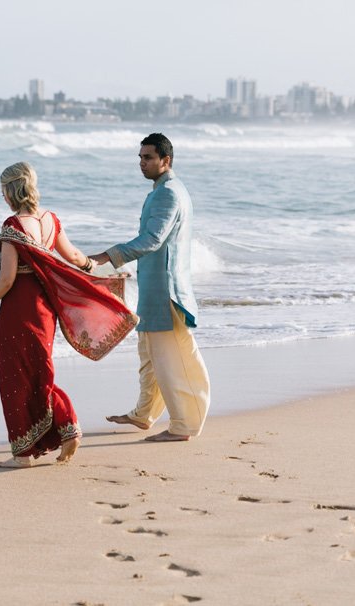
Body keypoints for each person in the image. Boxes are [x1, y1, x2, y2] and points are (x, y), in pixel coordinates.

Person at [0, 161, 137, 468]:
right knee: (40, 371)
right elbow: (76, 257)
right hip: (45, 310)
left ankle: (24, 454)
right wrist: (101, 274)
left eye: (2, 190)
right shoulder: (51, 220)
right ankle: (67, 428)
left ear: (9, 191)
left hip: (18, 309)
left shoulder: (12, 226)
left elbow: (7, 279)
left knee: (17, 377)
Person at [90, 133, 211, 442]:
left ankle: (183, 425)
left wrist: (107, 257)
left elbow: (152, 240)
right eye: (140, 158)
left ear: (165, 160)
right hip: (152, 288)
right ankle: (144, 415)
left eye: (148, 158)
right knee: (149, 357)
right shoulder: (163, 190)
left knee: (173, 362)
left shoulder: (169, 193)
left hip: (165, 292)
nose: (141, 163)